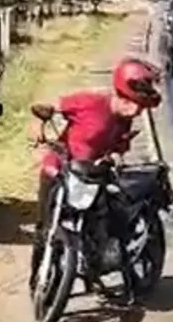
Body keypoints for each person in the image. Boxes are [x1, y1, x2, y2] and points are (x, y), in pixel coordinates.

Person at [28, 57, 161, 260]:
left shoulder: (125, 122)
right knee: (45, 230)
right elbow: (47, 108)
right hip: (60, 170)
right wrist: (38, 128)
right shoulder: (90, 102)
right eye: (131, 103)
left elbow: (120, 147)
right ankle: (40, 278)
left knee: (104, 223)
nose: (135, 111)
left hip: (91, 177)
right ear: (120, 94)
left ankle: (99, 260)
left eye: (140, 108)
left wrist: (115, 156)